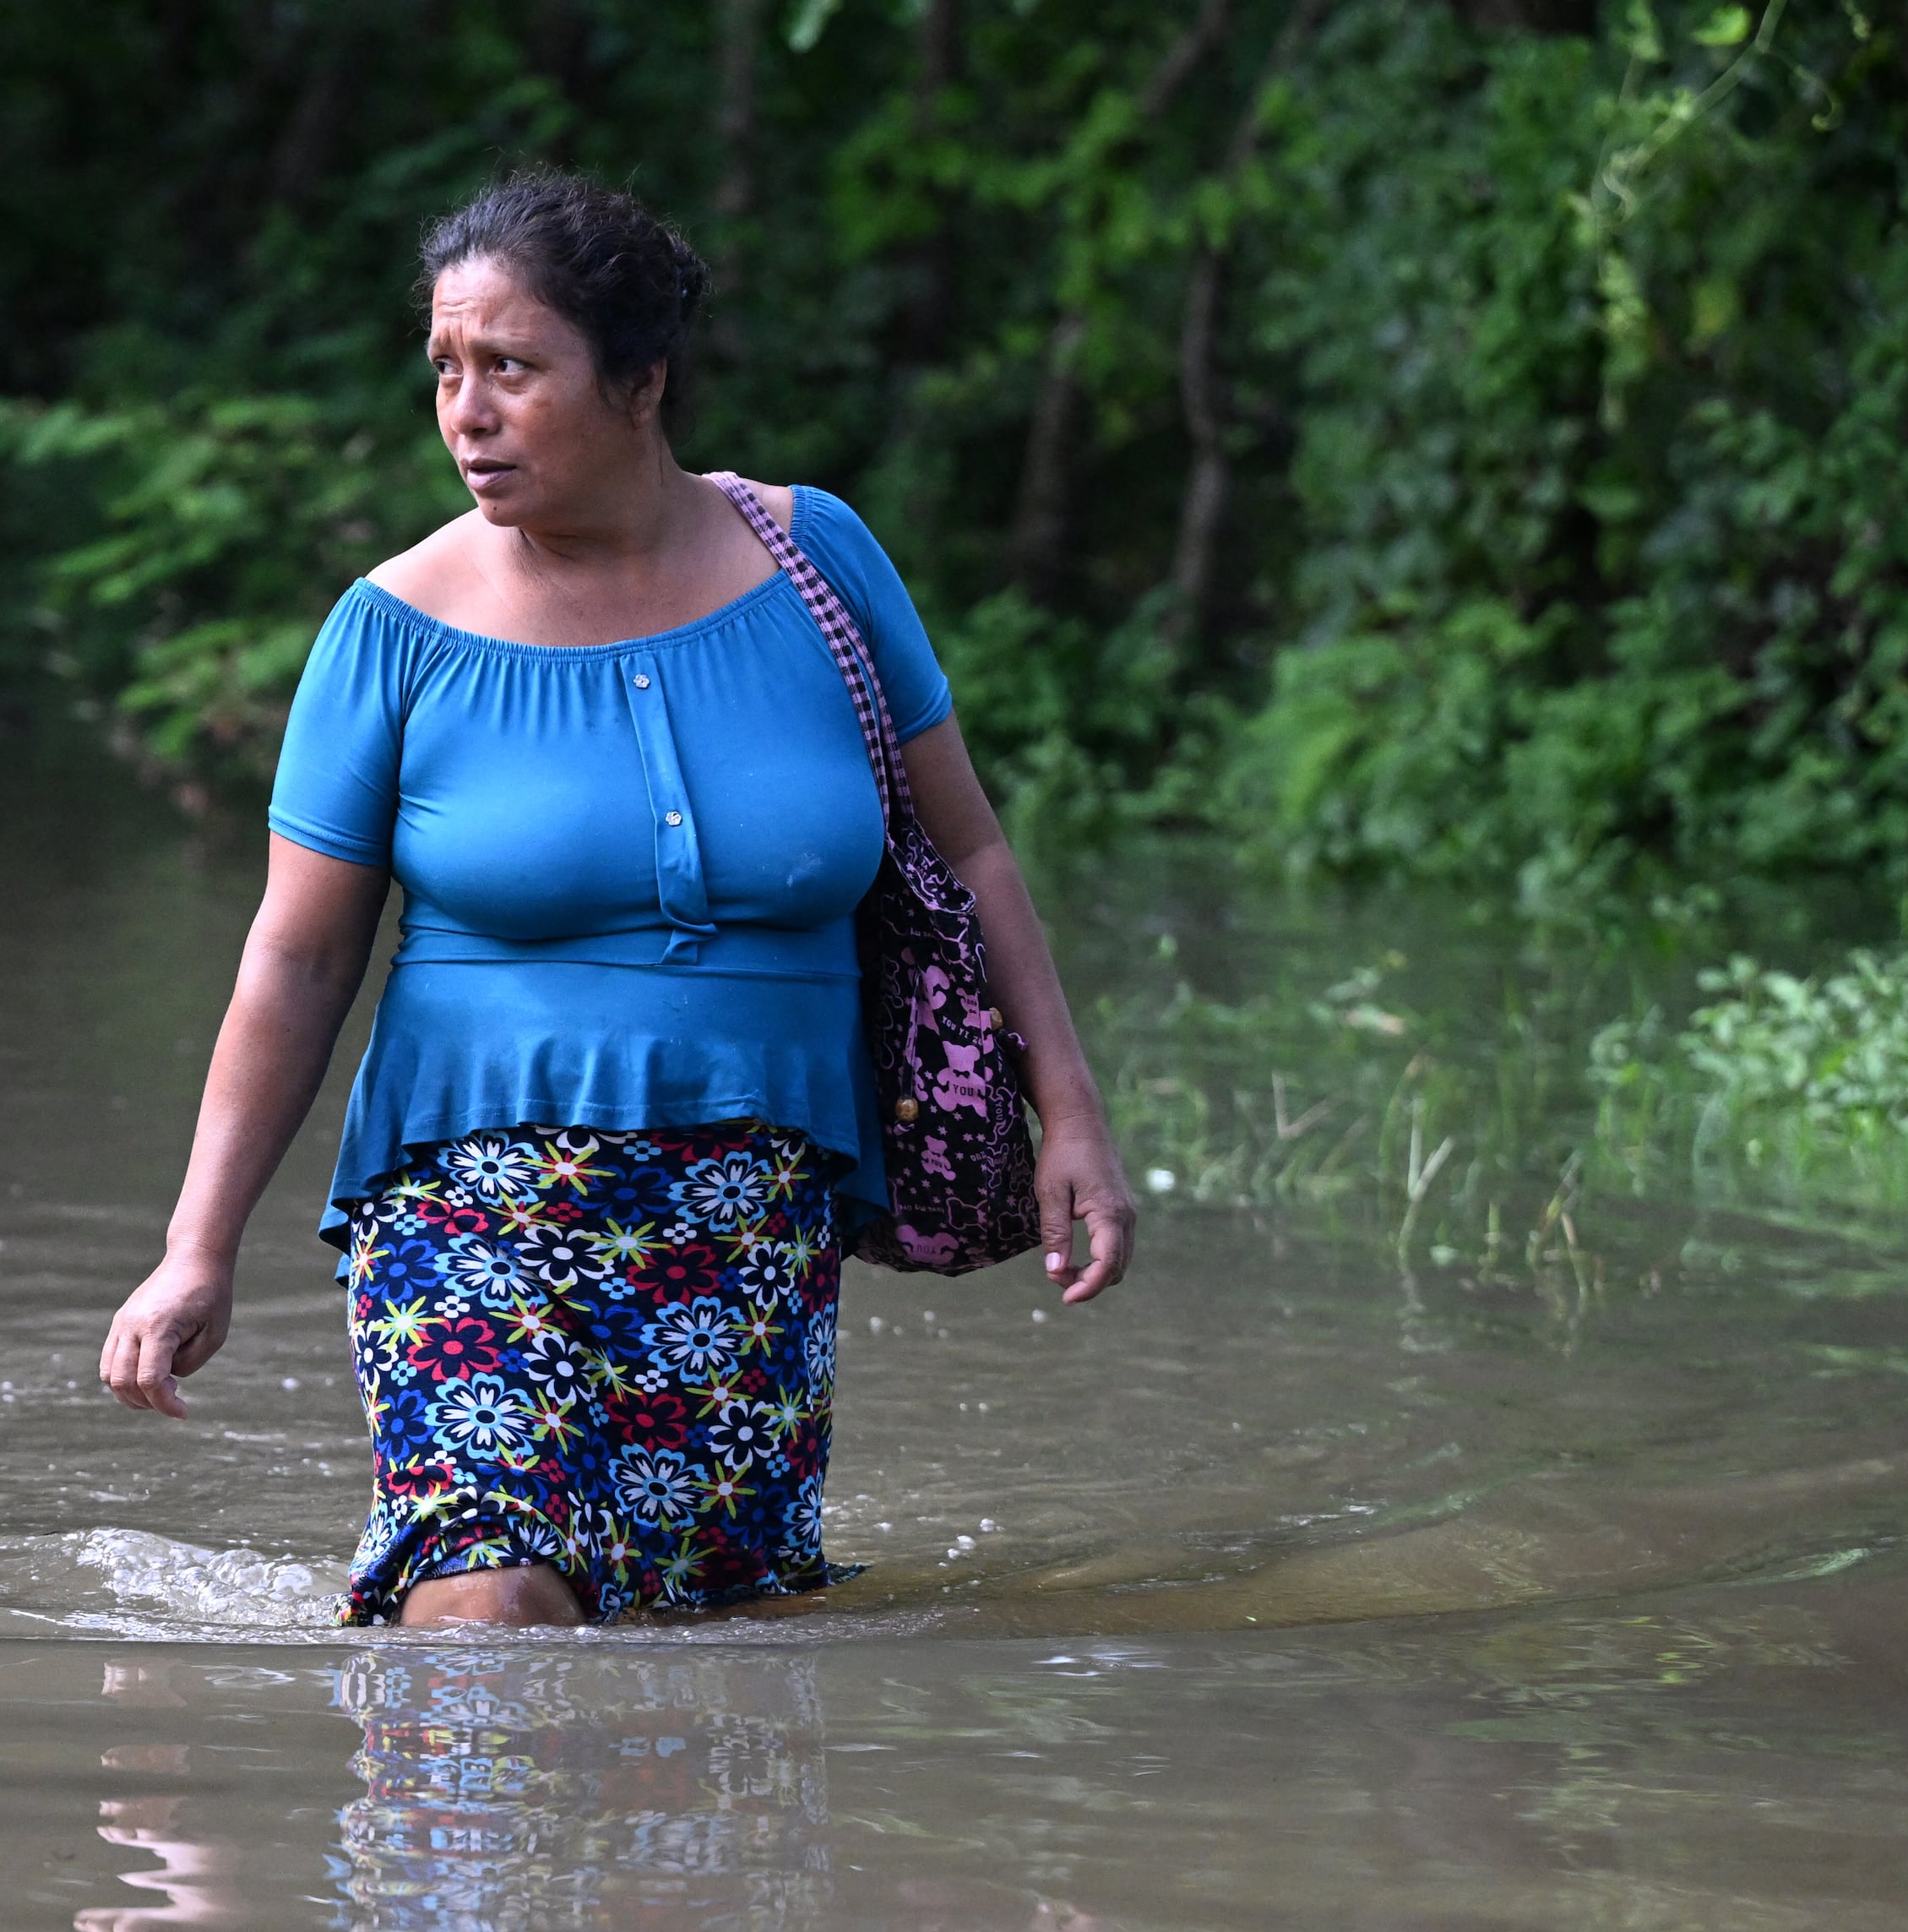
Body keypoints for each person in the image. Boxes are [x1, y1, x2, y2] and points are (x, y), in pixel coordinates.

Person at [95, 171, 1135, 1628]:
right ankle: (436, 1846)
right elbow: (297, 954)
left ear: (642, 381)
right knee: (486, 1596)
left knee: (693, 1670)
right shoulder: (392, 632)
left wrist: (1069, 1110)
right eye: (447, 370)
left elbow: (971, 855)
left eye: (512, 369)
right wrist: (196, 1246)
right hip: (471, 1192)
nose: (466, 410)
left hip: (752, 1205)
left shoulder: (815, 559)